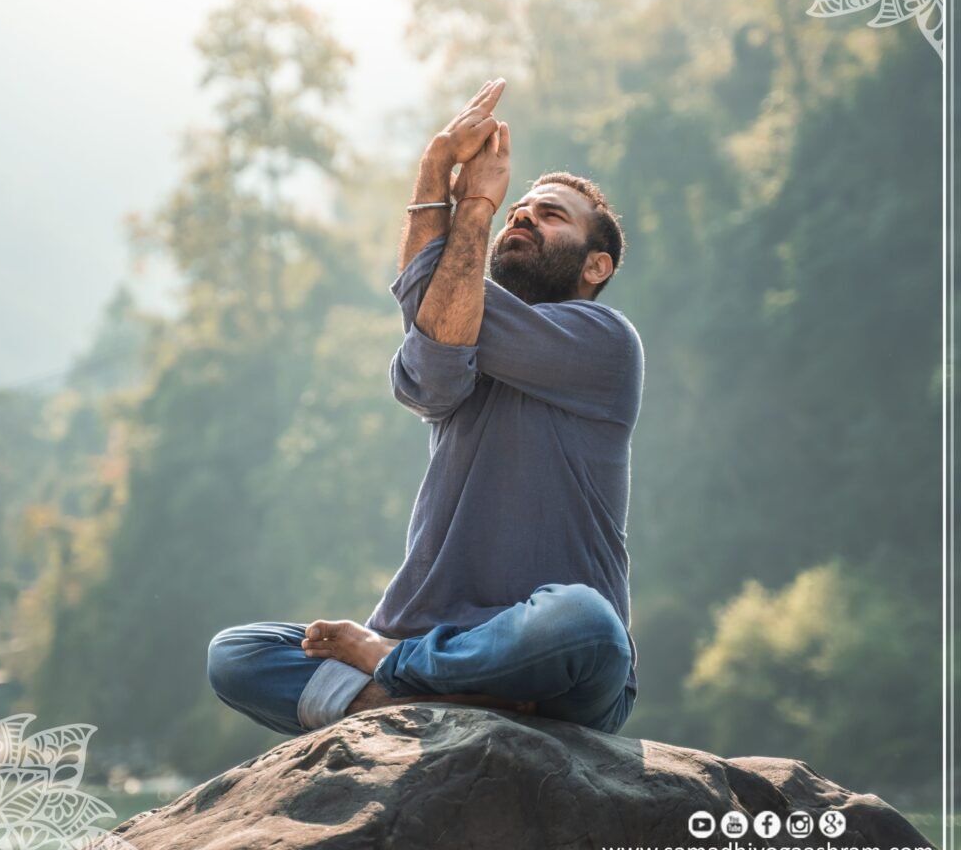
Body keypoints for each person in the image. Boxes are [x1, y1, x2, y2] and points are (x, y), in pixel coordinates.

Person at [207, 77, 644, 737]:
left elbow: (428, 286)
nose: (520, 215)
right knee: (236, 654)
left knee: (585, 623)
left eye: (550, 215)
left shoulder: (606, 347)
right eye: (516, 208)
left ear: (595, 267)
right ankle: (447, 693)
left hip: (548, 656)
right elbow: (437, 312)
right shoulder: (445, 346)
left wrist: (457, 190)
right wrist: (440, 168)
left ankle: (397, 676)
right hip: (429, 630)